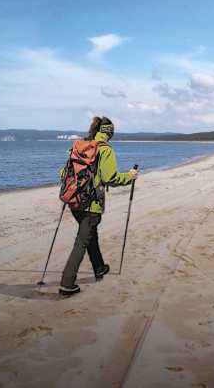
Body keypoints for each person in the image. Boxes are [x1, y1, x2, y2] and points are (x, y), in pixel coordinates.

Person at [59, 116, 138, 297]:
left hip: (74, 201)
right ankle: (67, 284)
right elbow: (111, 178)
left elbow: (63, 172)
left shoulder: (80, 147)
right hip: (91, 204)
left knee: (89, 234)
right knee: (82, 241)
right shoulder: (105, 150)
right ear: (109, 133)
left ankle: (99, 267)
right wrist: (130, 176)